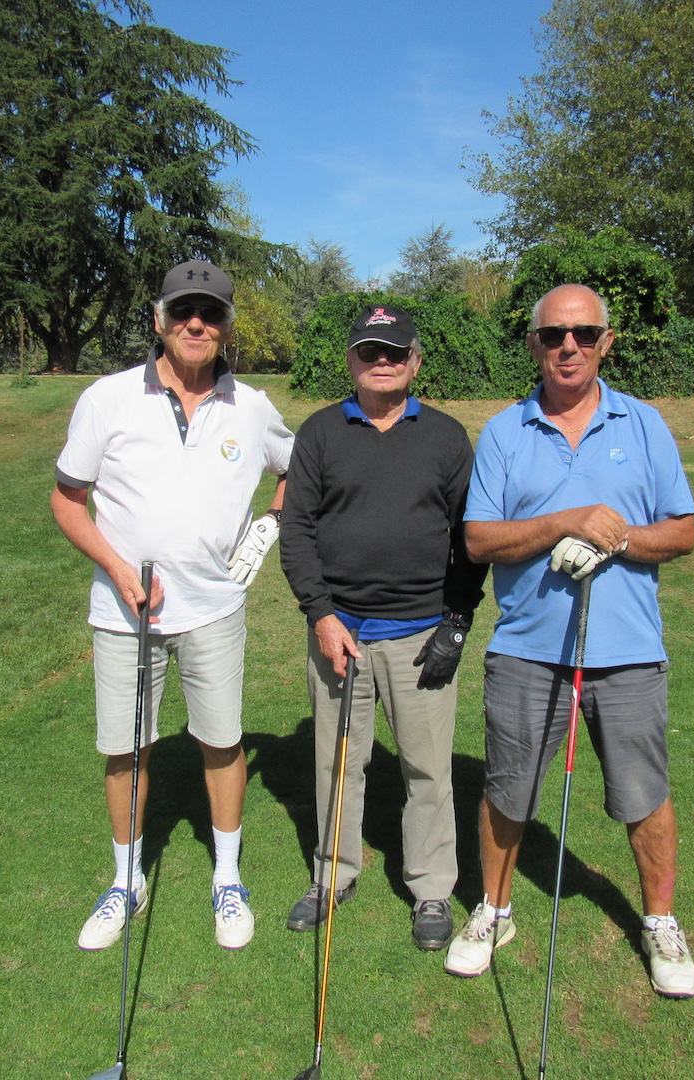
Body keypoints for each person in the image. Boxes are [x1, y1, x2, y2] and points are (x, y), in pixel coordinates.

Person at [444, 283, 694, 998]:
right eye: (555, 335)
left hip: (628, 651)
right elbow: (479, 538)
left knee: (644, 793)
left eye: (585, 335)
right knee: (507, 791)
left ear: (606, 343)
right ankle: (494, 912)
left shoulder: (644, 424)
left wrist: (615, 538)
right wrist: (566, 520)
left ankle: (659, 923)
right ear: (532, 342)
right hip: (528, 647)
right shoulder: (503, 431)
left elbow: (682, 530)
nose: (569, 347)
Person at [51, 260, 293, 952]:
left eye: (211, 313)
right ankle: (127, 880)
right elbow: (67, 501)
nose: (197, 323)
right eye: (184, 311)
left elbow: (298, 467)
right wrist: (116, 567)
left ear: (225, 328)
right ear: (158, 320)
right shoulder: (108, 398)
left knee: (221, 741)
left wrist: (268, 527)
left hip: (215, 607)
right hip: (126, 613)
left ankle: (227, 878)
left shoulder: (250, 406)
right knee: (125, 749)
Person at [278, 304, 488, 951]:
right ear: (351, 361)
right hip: (341, 634)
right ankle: (334, 872)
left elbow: (470, 538)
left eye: (395, 352)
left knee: (428, 769)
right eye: (370, 352)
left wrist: (457, 620)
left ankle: (430, 888)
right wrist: (320, 612)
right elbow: (296, 532)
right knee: (338, 763)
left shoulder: (448, 438)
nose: (383, 362)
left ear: (415, 362)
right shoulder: (318, 433)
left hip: (421, 633)